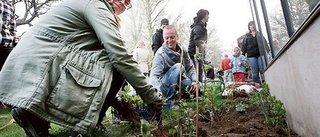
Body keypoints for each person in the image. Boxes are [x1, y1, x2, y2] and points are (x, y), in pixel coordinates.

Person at [0, 0, 163, 137]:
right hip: (41, 64)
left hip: (24, 67)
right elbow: (119, 55)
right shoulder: (96, 4)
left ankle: (35, 119)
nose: (122, 2)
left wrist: (117, 101)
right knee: (116, 67)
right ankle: (88, 126)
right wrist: (151, 96)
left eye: (127, 3)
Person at [149, 25, 197, 108]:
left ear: (177, 37)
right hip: (164, 86)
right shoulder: (160, 54)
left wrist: (195, 81)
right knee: (179, 66)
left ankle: (182, 96)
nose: (169, 40)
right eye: (166, 38)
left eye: (172, 37)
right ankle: (169, 102)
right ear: (163, 39)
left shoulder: (183, 50)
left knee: (198, 88)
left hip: (179, 83)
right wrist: (158, 91)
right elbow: (153, 77)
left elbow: (189, 67)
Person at [241, 21, 269, 85]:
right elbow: (244, 45)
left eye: (253, 24)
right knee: (255, 71)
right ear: (249, 27)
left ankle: (265, 83)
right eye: (251, 25)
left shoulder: (259, 34)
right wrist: (243, 54)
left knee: (262, 69)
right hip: (251, 56)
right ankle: (256, 85)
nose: (252, 26)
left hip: (260, 54)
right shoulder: (247, 36)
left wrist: (268, 50)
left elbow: (264, 42)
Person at [188, 9, 209, 82]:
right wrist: (200, 55)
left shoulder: (202, 27)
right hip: (195, 55)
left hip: (198, 54)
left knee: (199, 73)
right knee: (197, 73)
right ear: (203, 16)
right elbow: (197, 42)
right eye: (207, 15)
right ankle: (197, 90)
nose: (208, 17)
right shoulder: (198, 27)